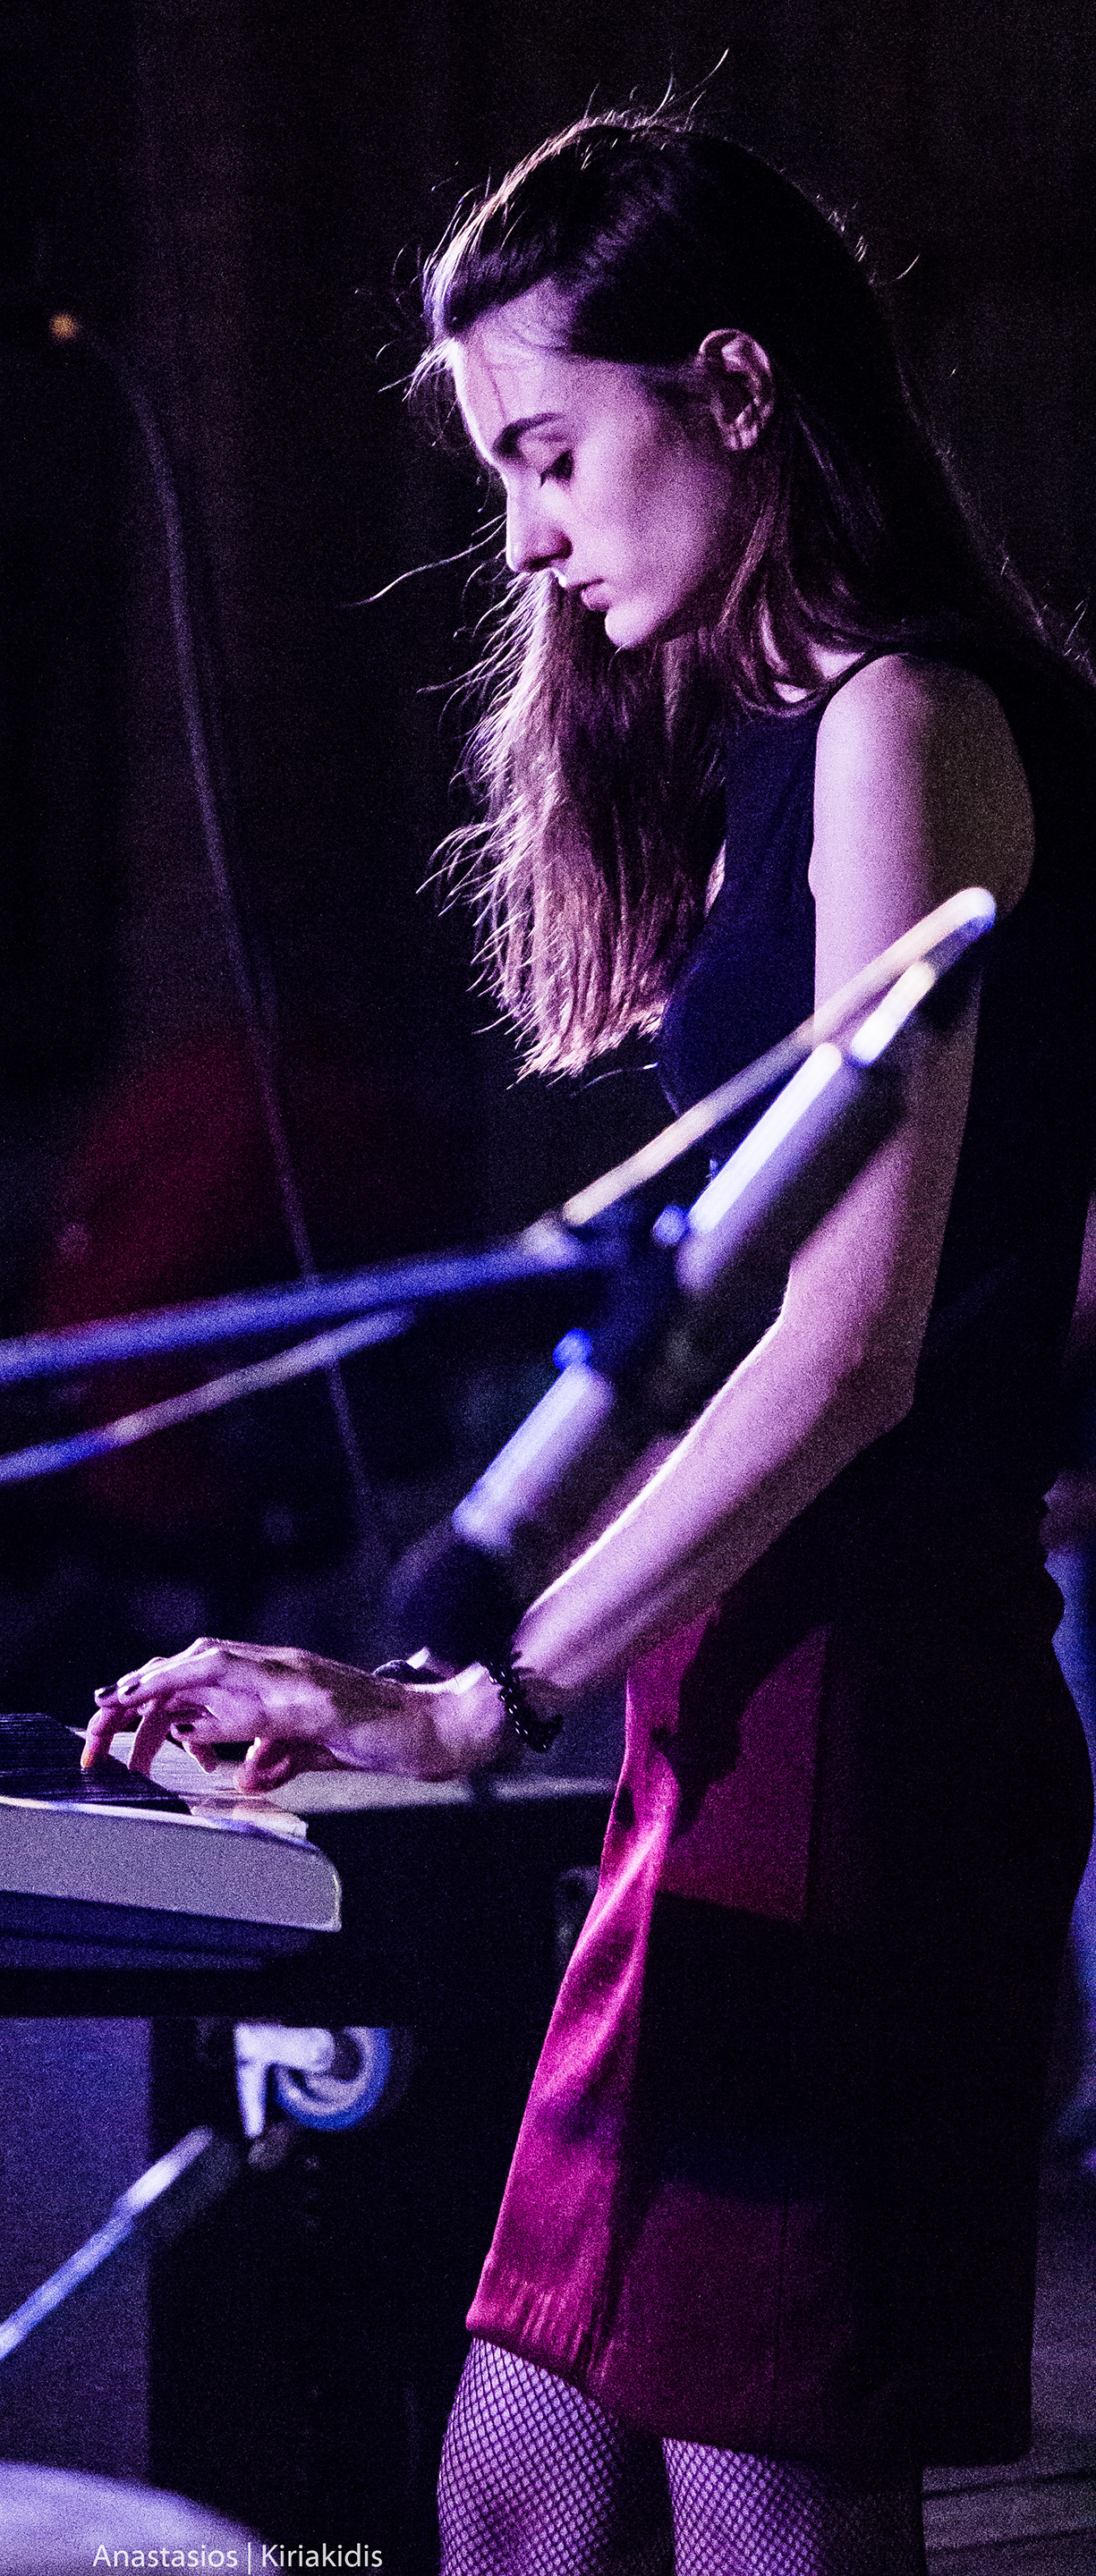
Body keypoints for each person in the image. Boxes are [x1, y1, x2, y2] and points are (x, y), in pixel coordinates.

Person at [83, 113, 1096, 2575]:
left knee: (760, 2515)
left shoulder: (909, 724)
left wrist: (475, 1702)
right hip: (733, 1704)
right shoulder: (793, 752)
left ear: (735, 388)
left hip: (860, 1727)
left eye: (550, 451)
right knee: (515, 2488)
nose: (525, 534)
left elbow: (852, 1350)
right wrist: (452, 1672)